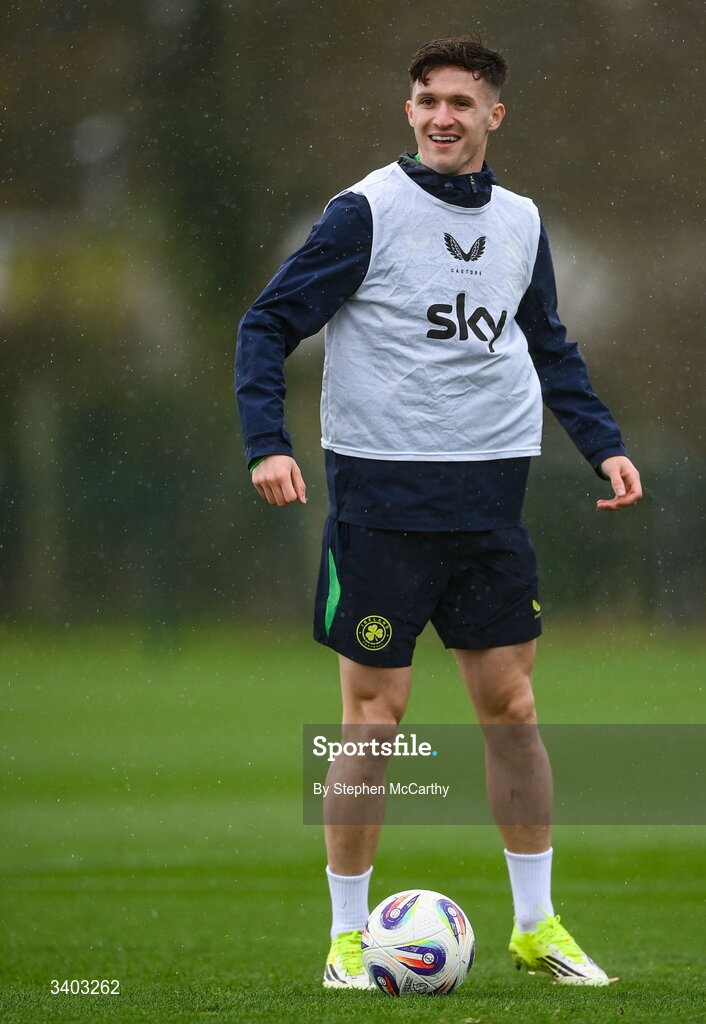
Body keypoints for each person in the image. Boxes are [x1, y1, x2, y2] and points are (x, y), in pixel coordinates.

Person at [235, 33, 641, 990]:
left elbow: (548, 343)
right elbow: (267, 322)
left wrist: (605, 441)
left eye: (461, 102)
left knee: (513, 711)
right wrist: (268, 442)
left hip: (492, 499)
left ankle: (537, 927)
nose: (442, 117)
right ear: (409, 110)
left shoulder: (522, 220)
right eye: (426, 101)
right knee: (375, 721)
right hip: (382, 499)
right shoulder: (366, 212)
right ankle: (344, 937)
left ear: (496, 114)